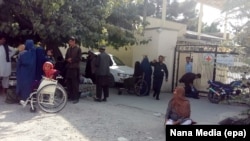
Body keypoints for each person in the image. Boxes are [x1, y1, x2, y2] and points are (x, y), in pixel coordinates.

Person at [65, 36, 82, 104]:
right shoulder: (69, 49)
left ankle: (76, 98)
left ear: (74, 41)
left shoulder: (78, 49)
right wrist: (67, 59)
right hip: (69, 68)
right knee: (69, 83)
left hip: (75, 68)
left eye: (71, 41)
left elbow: (79, 58)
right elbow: (66, 57)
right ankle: (71, 96)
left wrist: (72, 60)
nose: (70, 43)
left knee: (75, 83)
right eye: (69, 42)